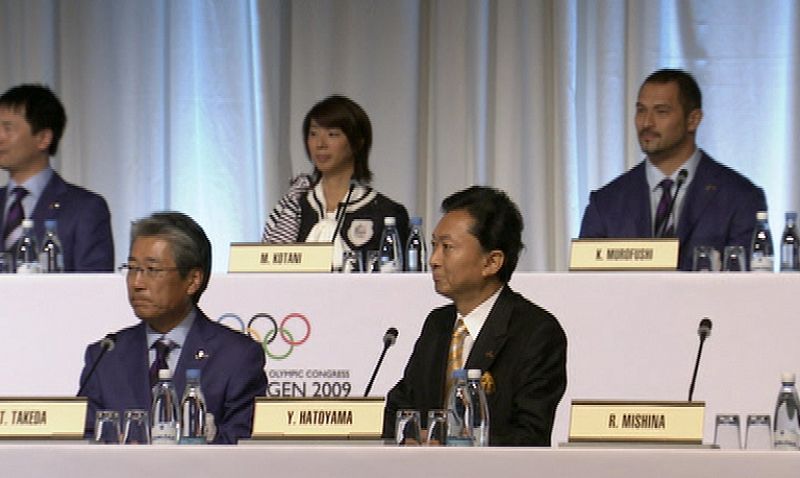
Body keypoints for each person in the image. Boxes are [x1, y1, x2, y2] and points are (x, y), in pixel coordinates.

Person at [383, 186, 567, 446]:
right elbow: (399, 407)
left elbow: (531, 435)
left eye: (447, 247)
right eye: (434, 245)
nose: (433, 260)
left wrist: (452, 443)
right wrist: (410, 437)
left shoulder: (536, 331)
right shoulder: (438, 324)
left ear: (491, 262)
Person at [78, 212, 267, 444]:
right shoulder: (105, 356)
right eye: (132, 268)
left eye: (152, 270)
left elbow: (241, 444)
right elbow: (84, 443)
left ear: (193, 280)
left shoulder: (236, 357)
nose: (137, 283)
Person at [579, 69, 767, 271]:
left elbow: (747, 287)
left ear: (693, 120)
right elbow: (586, 287)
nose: (646, 123)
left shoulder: (740, 198)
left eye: (661, 112)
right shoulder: (606, 203)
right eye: (641, 110)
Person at [262, 95, 409, 269]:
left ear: (357, 143)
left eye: (332, 134)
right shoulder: (292, 208)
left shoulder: (386, 213)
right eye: (313, 133)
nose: (320, 144)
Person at [0, 83, 114, 271]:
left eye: (8, 128)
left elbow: (94, 288)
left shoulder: (85, 208)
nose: (0, 136)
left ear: (43, 138)